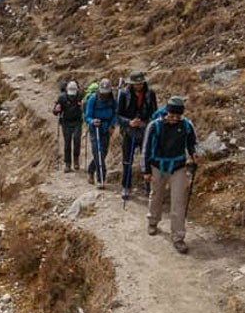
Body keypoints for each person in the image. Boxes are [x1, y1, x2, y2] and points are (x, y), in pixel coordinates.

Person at [142, 96, 200, 254]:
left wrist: (194, 153)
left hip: (178, 167)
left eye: (177, 116)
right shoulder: (154, 126)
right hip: (157, 166)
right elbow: (146, 150)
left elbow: (191, 142)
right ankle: (153, 222)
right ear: (166, 112)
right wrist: (146, 170)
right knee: (156, 195)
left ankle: (178, 237)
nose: (174, 119)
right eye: (172, 116)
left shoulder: (186, 125)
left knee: (178, 201)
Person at [117, 71, 158, 199]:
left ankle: (148, 186)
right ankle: (126, 186)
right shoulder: (124, 94)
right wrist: (129, 122)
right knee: (127, 160)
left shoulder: (150, 94)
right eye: (136, 84)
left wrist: (147, 123)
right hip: (129, 131)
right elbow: (118, 115)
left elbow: (154, 113)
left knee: (147, 159)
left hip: (145, 130)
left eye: (140, 83)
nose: (138, 86)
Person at [83, 81, 117, 188]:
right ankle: (100, 179)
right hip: (95, 129)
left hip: (106, 128)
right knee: (97, 152)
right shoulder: (93, 99)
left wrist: (112, 125)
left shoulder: (112, 100)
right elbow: (87, 116)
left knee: (104, 152)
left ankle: (91, 169)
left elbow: (115, 113)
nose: (104, 95)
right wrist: (92, 121)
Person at [53, 80, 84, 172]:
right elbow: (54, 111)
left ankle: (76, 160)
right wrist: (57, 109)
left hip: (77, 121)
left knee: (77, 139)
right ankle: (68, 164)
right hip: (66, 122)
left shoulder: (80, 96)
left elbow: (85, 108)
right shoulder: (62, 97)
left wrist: (83, 107)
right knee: (67, 142)